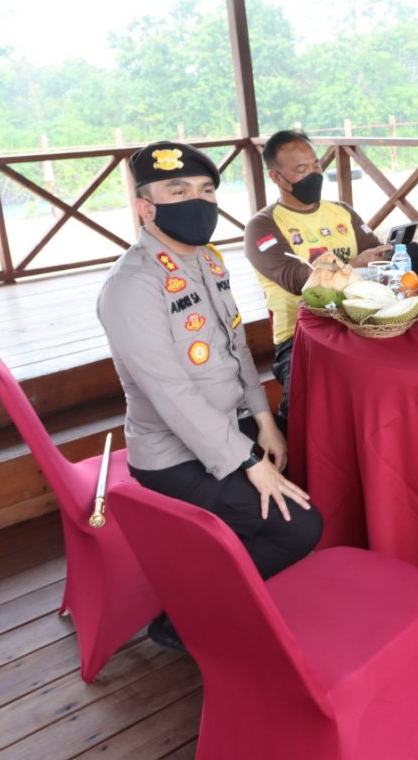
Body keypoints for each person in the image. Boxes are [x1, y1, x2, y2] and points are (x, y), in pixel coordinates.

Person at [98, 141, 323, 651]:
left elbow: (236, 348)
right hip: (173, 453)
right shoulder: (132, 285)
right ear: (145, 207)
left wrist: (264, 419)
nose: (196, 202)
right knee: (300, 528)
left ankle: (238, 573)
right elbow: (171, 396)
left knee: (306, 456)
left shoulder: (207, 260)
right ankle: (181, 622)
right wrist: (248, 460)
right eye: (177, 191)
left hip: (230, 424)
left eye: (205, 190)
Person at [244, 130, 418, 431]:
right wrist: (355, 263)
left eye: (315, 166)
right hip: (300, 336)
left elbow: (374, 251)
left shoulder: (342, 212)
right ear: (276, 177)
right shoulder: (262, 226)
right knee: (305, 409)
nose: (313, 175)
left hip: (362, 322)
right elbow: (295, 280)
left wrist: (392, 253)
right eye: (301, 170)